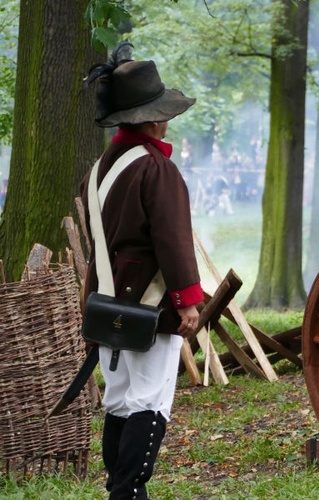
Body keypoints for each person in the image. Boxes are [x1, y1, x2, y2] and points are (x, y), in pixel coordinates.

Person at [81, 43, 203, 500]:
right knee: (150, 401)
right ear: (150, 118)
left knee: (120, 399)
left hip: (107, 304)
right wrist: (188, 300)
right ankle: (128, 492)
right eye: (162, 112)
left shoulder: (99, 169)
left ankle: (120, 488)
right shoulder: (156, 168)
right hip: (149, 307)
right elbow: (172, 241)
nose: (166, 119)